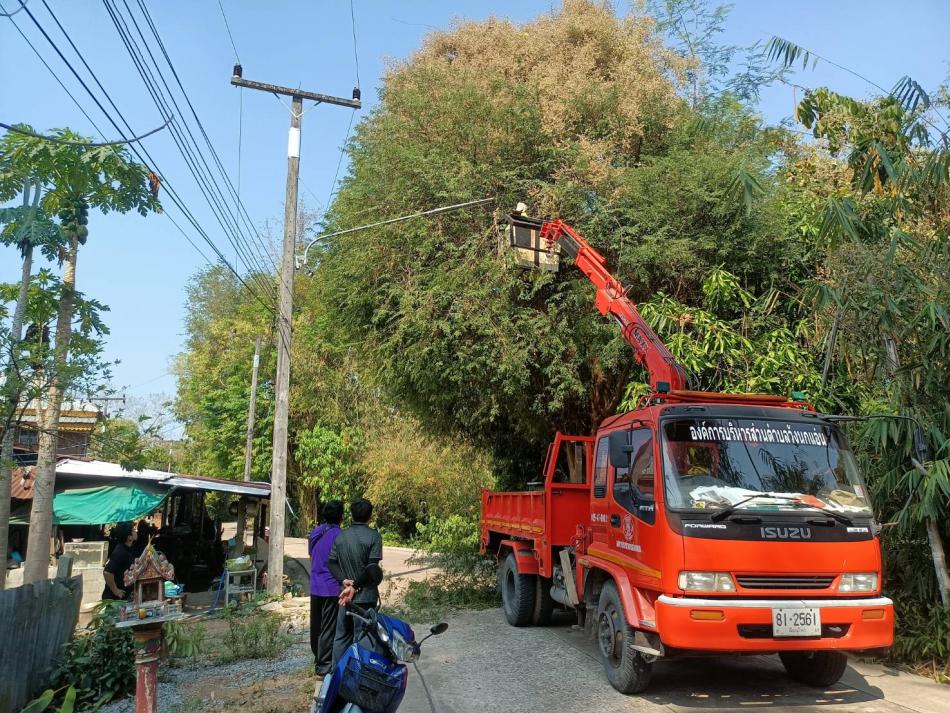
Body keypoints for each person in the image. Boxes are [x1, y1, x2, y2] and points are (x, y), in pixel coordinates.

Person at [327, 498, 383, 665]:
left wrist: (344, 580)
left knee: (341, 637)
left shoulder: (341, 537)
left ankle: (335, 673)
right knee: (363, 639)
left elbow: (331, 562)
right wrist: (356, 586)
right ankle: (360, 674)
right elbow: (372, 569)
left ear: (351, 515)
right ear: (370, 516)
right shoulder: (374, 537)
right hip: (365, 598)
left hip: (345, 598)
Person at [308, 500, 344, 676]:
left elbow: (311, 555)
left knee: (316, 624)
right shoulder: (340, 535)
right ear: (341, 517)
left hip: (315, 584)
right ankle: (323, 665)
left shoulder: (315, 532)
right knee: (329, 626)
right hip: (331, 587)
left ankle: (317, 657)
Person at [102, 522, 136, 601]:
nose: (136, 532)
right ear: (129, 537)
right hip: (114, 600)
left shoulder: (127, 549)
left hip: (123, 597)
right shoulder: (120, 552)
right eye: (133, 530)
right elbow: (107, 572)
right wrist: (115, 590)